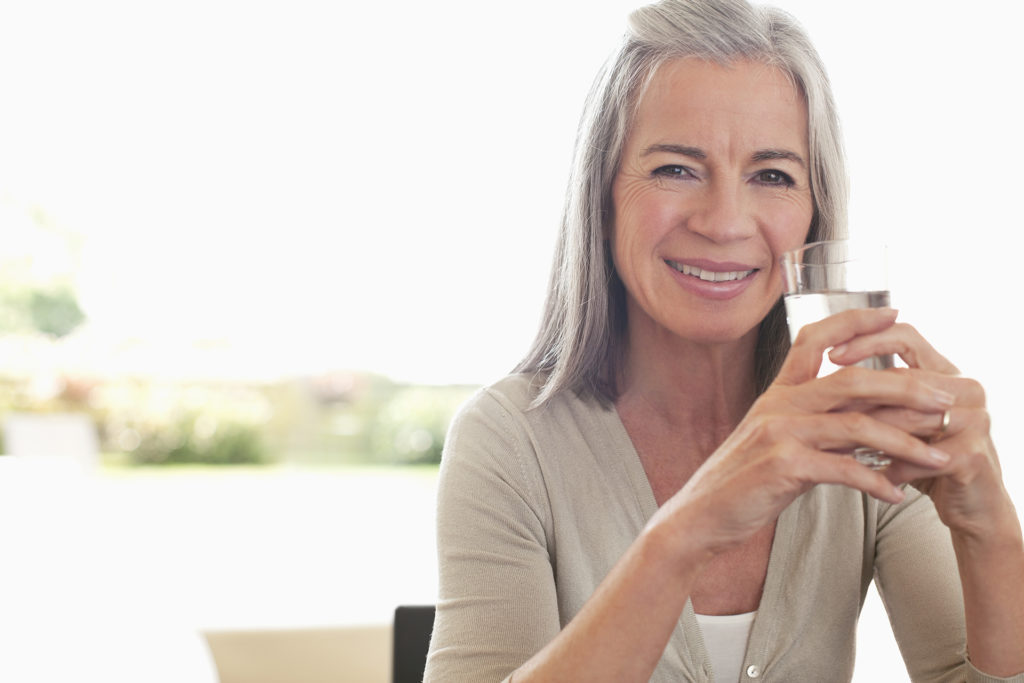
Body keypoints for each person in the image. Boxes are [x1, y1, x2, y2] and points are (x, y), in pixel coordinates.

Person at [424, 0, 1024, 680]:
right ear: (602, 196)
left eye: (772, 175)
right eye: (677, 168)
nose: (725, 221)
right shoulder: (511, 441)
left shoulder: (864, 421)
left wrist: (991, 531)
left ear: (813, 215)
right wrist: (687, 531)